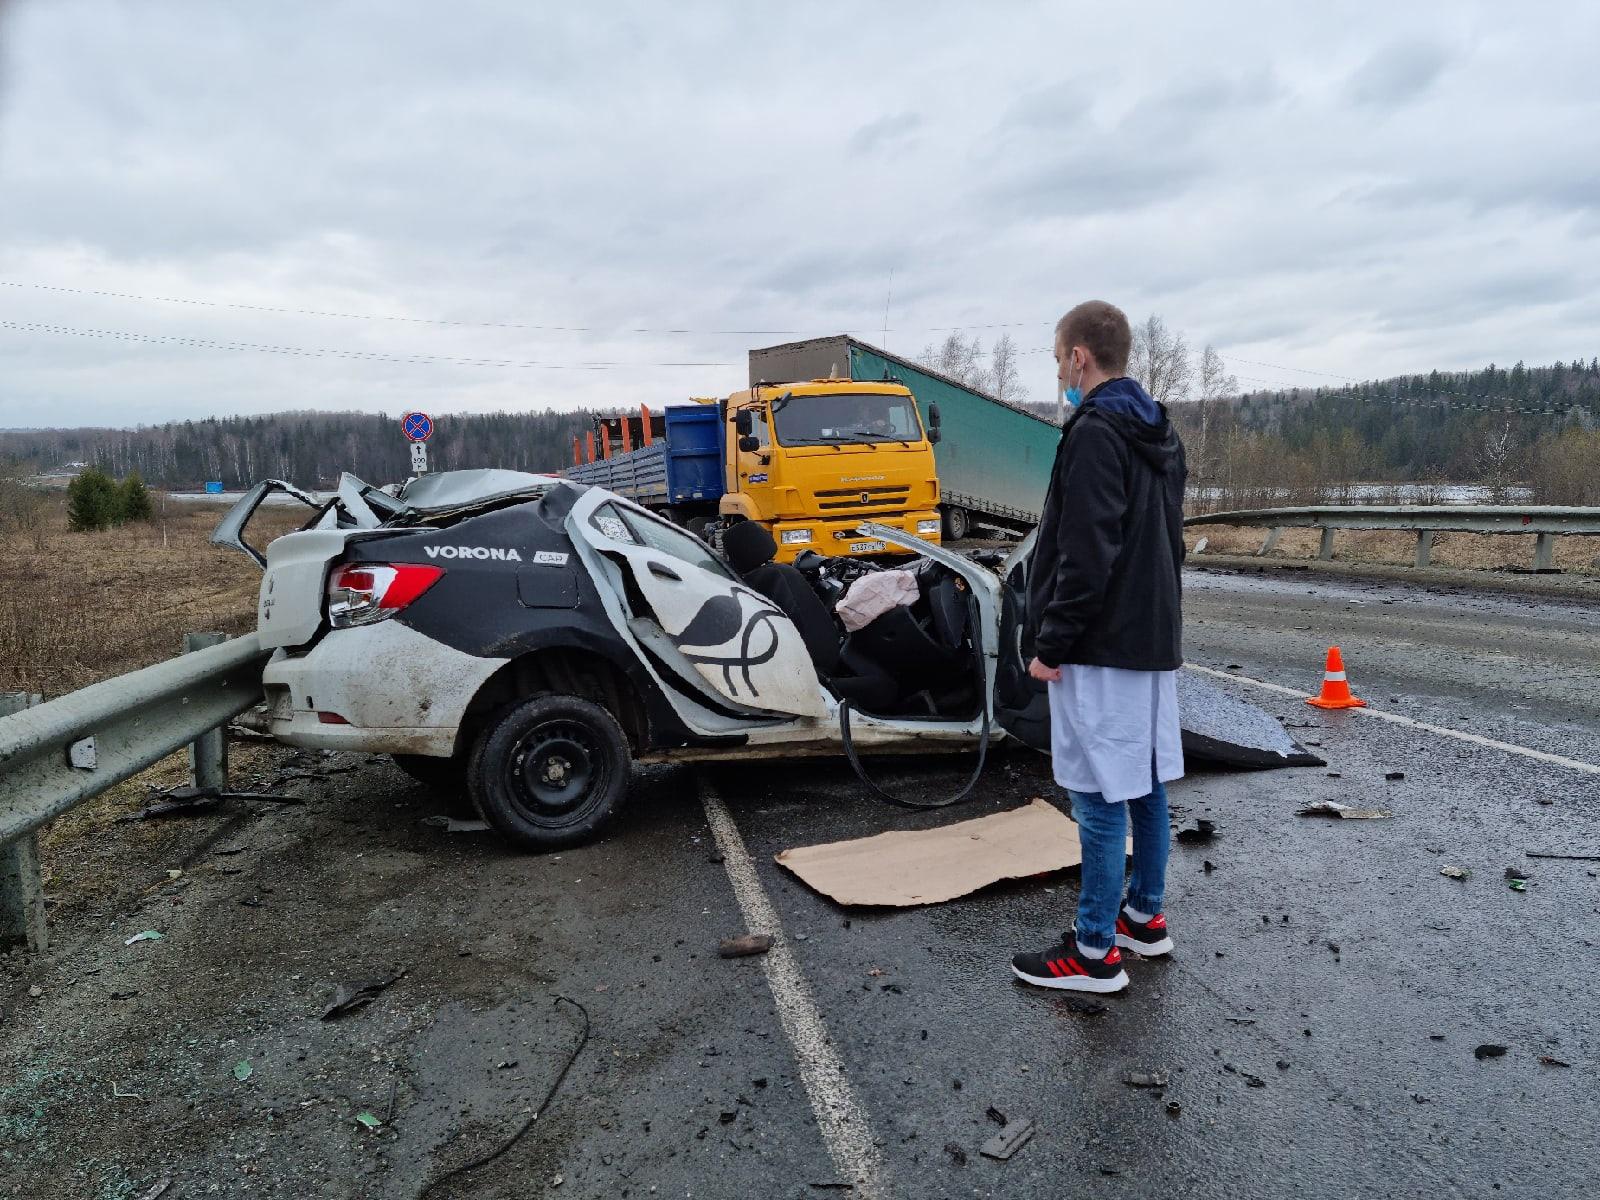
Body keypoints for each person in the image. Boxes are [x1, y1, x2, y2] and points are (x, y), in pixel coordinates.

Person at [1010, 301, 1187, 995]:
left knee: (1096, 795)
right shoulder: (1158, 430)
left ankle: (1092, 953)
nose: (1059, 372)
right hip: (1149, 640)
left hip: (1101, 644)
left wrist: (1051, 640)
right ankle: (1142, 918)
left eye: (1058, 359)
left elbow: (1086, 553)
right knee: (1142, 780)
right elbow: (1165, 546)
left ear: (1081, 355)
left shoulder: (1092, 432)